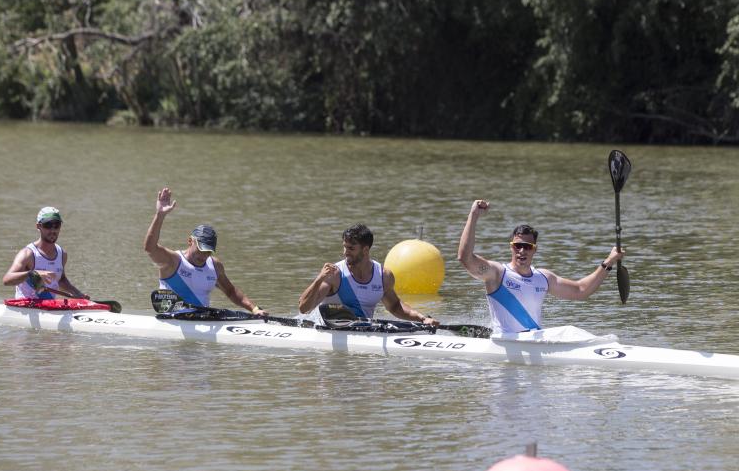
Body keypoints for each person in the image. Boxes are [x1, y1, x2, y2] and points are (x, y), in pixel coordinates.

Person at [457, 199, 624, 333]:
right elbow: (465, 258)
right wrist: (473, 215)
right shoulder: (497, 274)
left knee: (571, 331)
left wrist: (608, 262)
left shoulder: (543, 278)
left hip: (534, 342)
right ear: (511, 247)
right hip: (507, 344)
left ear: (534, 250)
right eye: (518, 245)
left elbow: (581, 290)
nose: (522, 250)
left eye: (528, 246)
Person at [143, 187, 267, 316]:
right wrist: (160, 215)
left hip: (203, 319)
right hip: (173, 321)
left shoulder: (215, 266)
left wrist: (254, 309)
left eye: (208, 251)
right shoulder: (173, 261)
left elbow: (231, 291)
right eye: (201, 249)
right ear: (190, 241)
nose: (204, 255)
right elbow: (150, 248)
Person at [298, 223, 439, 326]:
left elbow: (396, 307)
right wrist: (319, 278)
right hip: (323, 328)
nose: (345, 253)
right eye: (344, 247)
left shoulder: (383, 276)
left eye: (351, 248)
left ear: (365, 250)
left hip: (362, 330)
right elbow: (304, 308)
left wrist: (422, 318)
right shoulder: (334, 275)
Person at [3, 206, 89, 299]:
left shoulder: (62, 254)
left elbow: (61, 280)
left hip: (49, 307)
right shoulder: (27, 254)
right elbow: (7, 280)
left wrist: (78, 294)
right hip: (26, 308)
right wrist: (33, 274)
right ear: (38, 226)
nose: (53, 230)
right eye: (48, 225)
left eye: (56, 225)